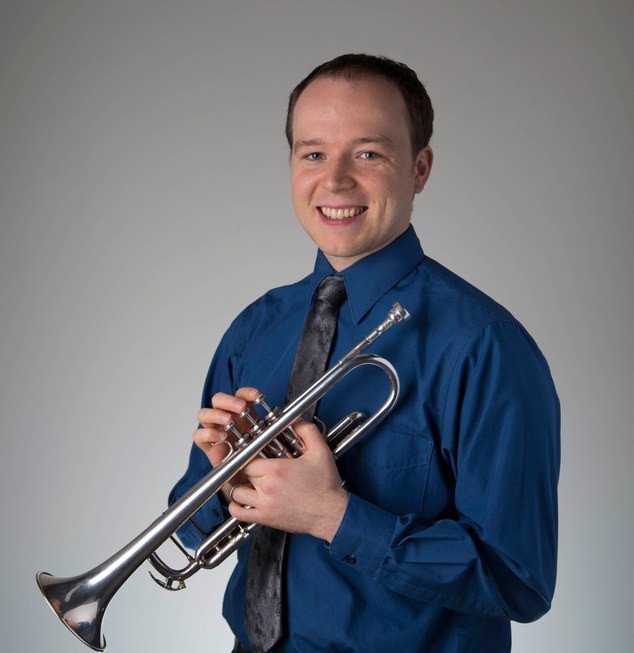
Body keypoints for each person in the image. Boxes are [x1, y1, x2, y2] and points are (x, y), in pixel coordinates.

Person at [169, 54, 560, 653]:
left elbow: (519, 579)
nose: (335, 181)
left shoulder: (485, 345)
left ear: (419, 169)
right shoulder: (256, 328)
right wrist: (229, 484)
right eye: (313, 154)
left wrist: (332, 515)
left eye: (369, 154)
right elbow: (192, 531)